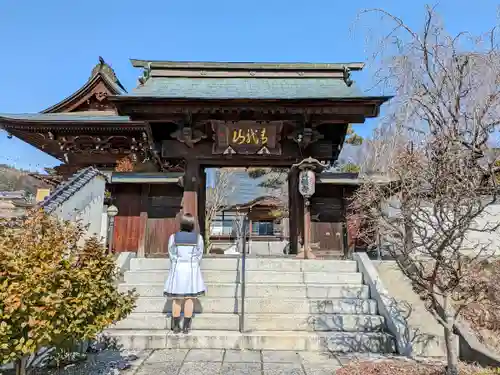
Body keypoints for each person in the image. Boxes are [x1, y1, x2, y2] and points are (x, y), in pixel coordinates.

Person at [163, 213, 206, 334]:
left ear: (181, 223)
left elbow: (171, 253)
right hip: (192, 269)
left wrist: (177, 261)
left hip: (178, 268)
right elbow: (199, 254)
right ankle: (186, 326)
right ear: (192, 224)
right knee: (189, 298)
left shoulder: (173, 237)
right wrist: (193, 262)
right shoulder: (198, 238)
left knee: (177, 298)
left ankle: (176, 326)